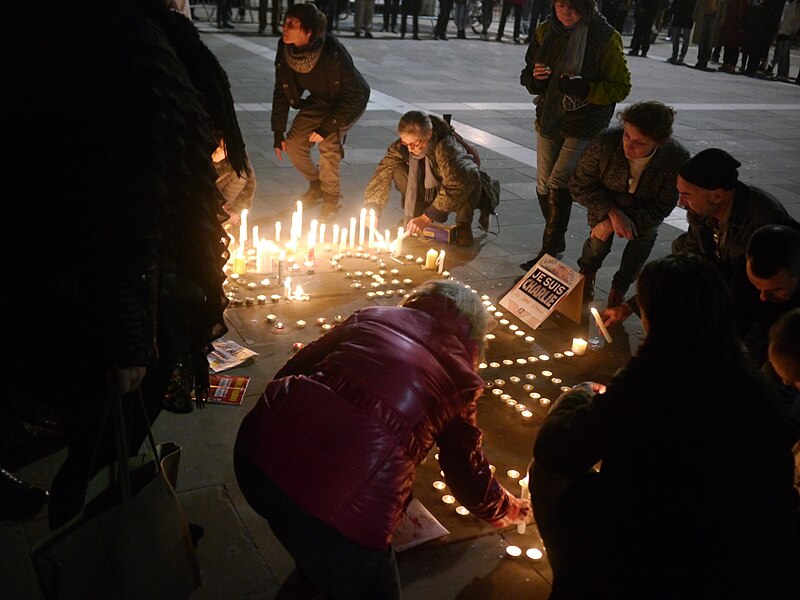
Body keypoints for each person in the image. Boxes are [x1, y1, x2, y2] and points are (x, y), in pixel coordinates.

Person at [8, 0, 229, 530]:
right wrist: (129, 340)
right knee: (115, 418)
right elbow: (124, 213)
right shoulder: (127, 48)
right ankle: (101, 534)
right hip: (101, 296)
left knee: (113, 420)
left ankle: (113, 511)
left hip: (72, 284)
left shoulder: (75, 30)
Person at [234, 280, 532, 598]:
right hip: (341, 507)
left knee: (318, 564)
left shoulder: (373, 316)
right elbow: (465, 472)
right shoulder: (461, 378)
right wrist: (508, 509)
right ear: (474, 335)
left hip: (256, 454)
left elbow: (293, 369)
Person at [530, 253, 800, 598]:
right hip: (742, 561)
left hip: (652, 555)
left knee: (546, 472)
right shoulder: (754, 382)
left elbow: (555, 449)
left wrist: (577, 397)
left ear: (655, 316)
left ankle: (578, 577)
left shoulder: (652, 377)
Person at [601, 148, 793, 328]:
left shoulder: (760, 222)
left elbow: (749, 295)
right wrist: (632, 306)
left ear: (717, 195)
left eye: (686, 195)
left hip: (761, 301)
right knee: (680, 249)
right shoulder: (702, 212)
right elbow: (686, 261)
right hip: (728, 282)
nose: (681, 202)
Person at [519, 0, 631, 271]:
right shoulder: (546, 31)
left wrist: (586, 88)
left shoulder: (604, 36)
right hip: (549, 116)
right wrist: (537, 79)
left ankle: (548, 251)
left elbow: (621, 87)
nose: (566, 12)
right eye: (560, 5)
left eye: (572, 6)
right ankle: (555, 243)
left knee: (559, 181)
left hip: (585, 121)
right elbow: (527, 76)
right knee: (544, 184)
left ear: (586, 7)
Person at [571, 101, 689, 307]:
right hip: (606, 200)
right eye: (626, 135)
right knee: (598, 241)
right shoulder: (606, 141)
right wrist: (611, 215)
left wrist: (627, 220)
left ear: (658, 142)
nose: (629, 146)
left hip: (645, 210)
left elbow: (662, 206)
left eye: (640, 142)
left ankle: (620, 288)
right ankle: (587, 273)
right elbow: (579, 183)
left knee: (643, 241)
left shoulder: (675, 157)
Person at [272, 3, 370, 220]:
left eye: (291, 24)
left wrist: (327, 128)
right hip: (320, 101)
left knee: (328, 144)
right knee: (295, 144)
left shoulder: (332, 51)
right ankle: (317, 185)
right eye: (285, 21)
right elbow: (282, 89)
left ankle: (332, 196)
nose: (284, 27)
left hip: (348, 102)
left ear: (308, 31)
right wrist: (277, 131)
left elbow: (353, 95)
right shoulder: (285, 47)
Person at [363, 110, 499, 247]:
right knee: (398, 170)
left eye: (415, 144)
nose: (410, 149)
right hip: (432, 188)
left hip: (465, 187)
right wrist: (373, 207)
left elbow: (458, 183)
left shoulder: (446, 148)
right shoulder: (401, 147)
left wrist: (426, 217)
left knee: (466, 181)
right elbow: (382, 174)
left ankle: (464, 223)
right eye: (406, 143)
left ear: (428, 134)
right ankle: (413, 216)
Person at [738, 223, 800, 364]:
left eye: (776, 290)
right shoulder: (743, 269)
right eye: (756, 286)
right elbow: (737, 319)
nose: (763, 297)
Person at [213, 135, 256, 228]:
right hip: (204, 191)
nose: (219, 151)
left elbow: (250, 183)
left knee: (241, 175)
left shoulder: (236, 154)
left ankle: (222, 215)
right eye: (217, 146)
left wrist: (237, 211)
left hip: (222, 190)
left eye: (224, 148)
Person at [767, 0, 800, 82]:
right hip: (782, 30)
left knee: (785, 54)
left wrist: (794, 31)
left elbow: (798, 20)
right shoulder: (786, 2)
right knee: (779, 52)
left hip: (789, 32)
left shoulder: (797, 4)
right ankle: (779, 73)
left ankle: (784, 74)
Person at [666, 0, 695, 64]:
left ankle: (681, 57)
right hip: (679, 15)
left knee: (685, 38)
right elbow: (675, 3)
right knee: (676, 37)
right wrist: (670, 14)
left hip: (688, 16)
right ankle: (675, 55)